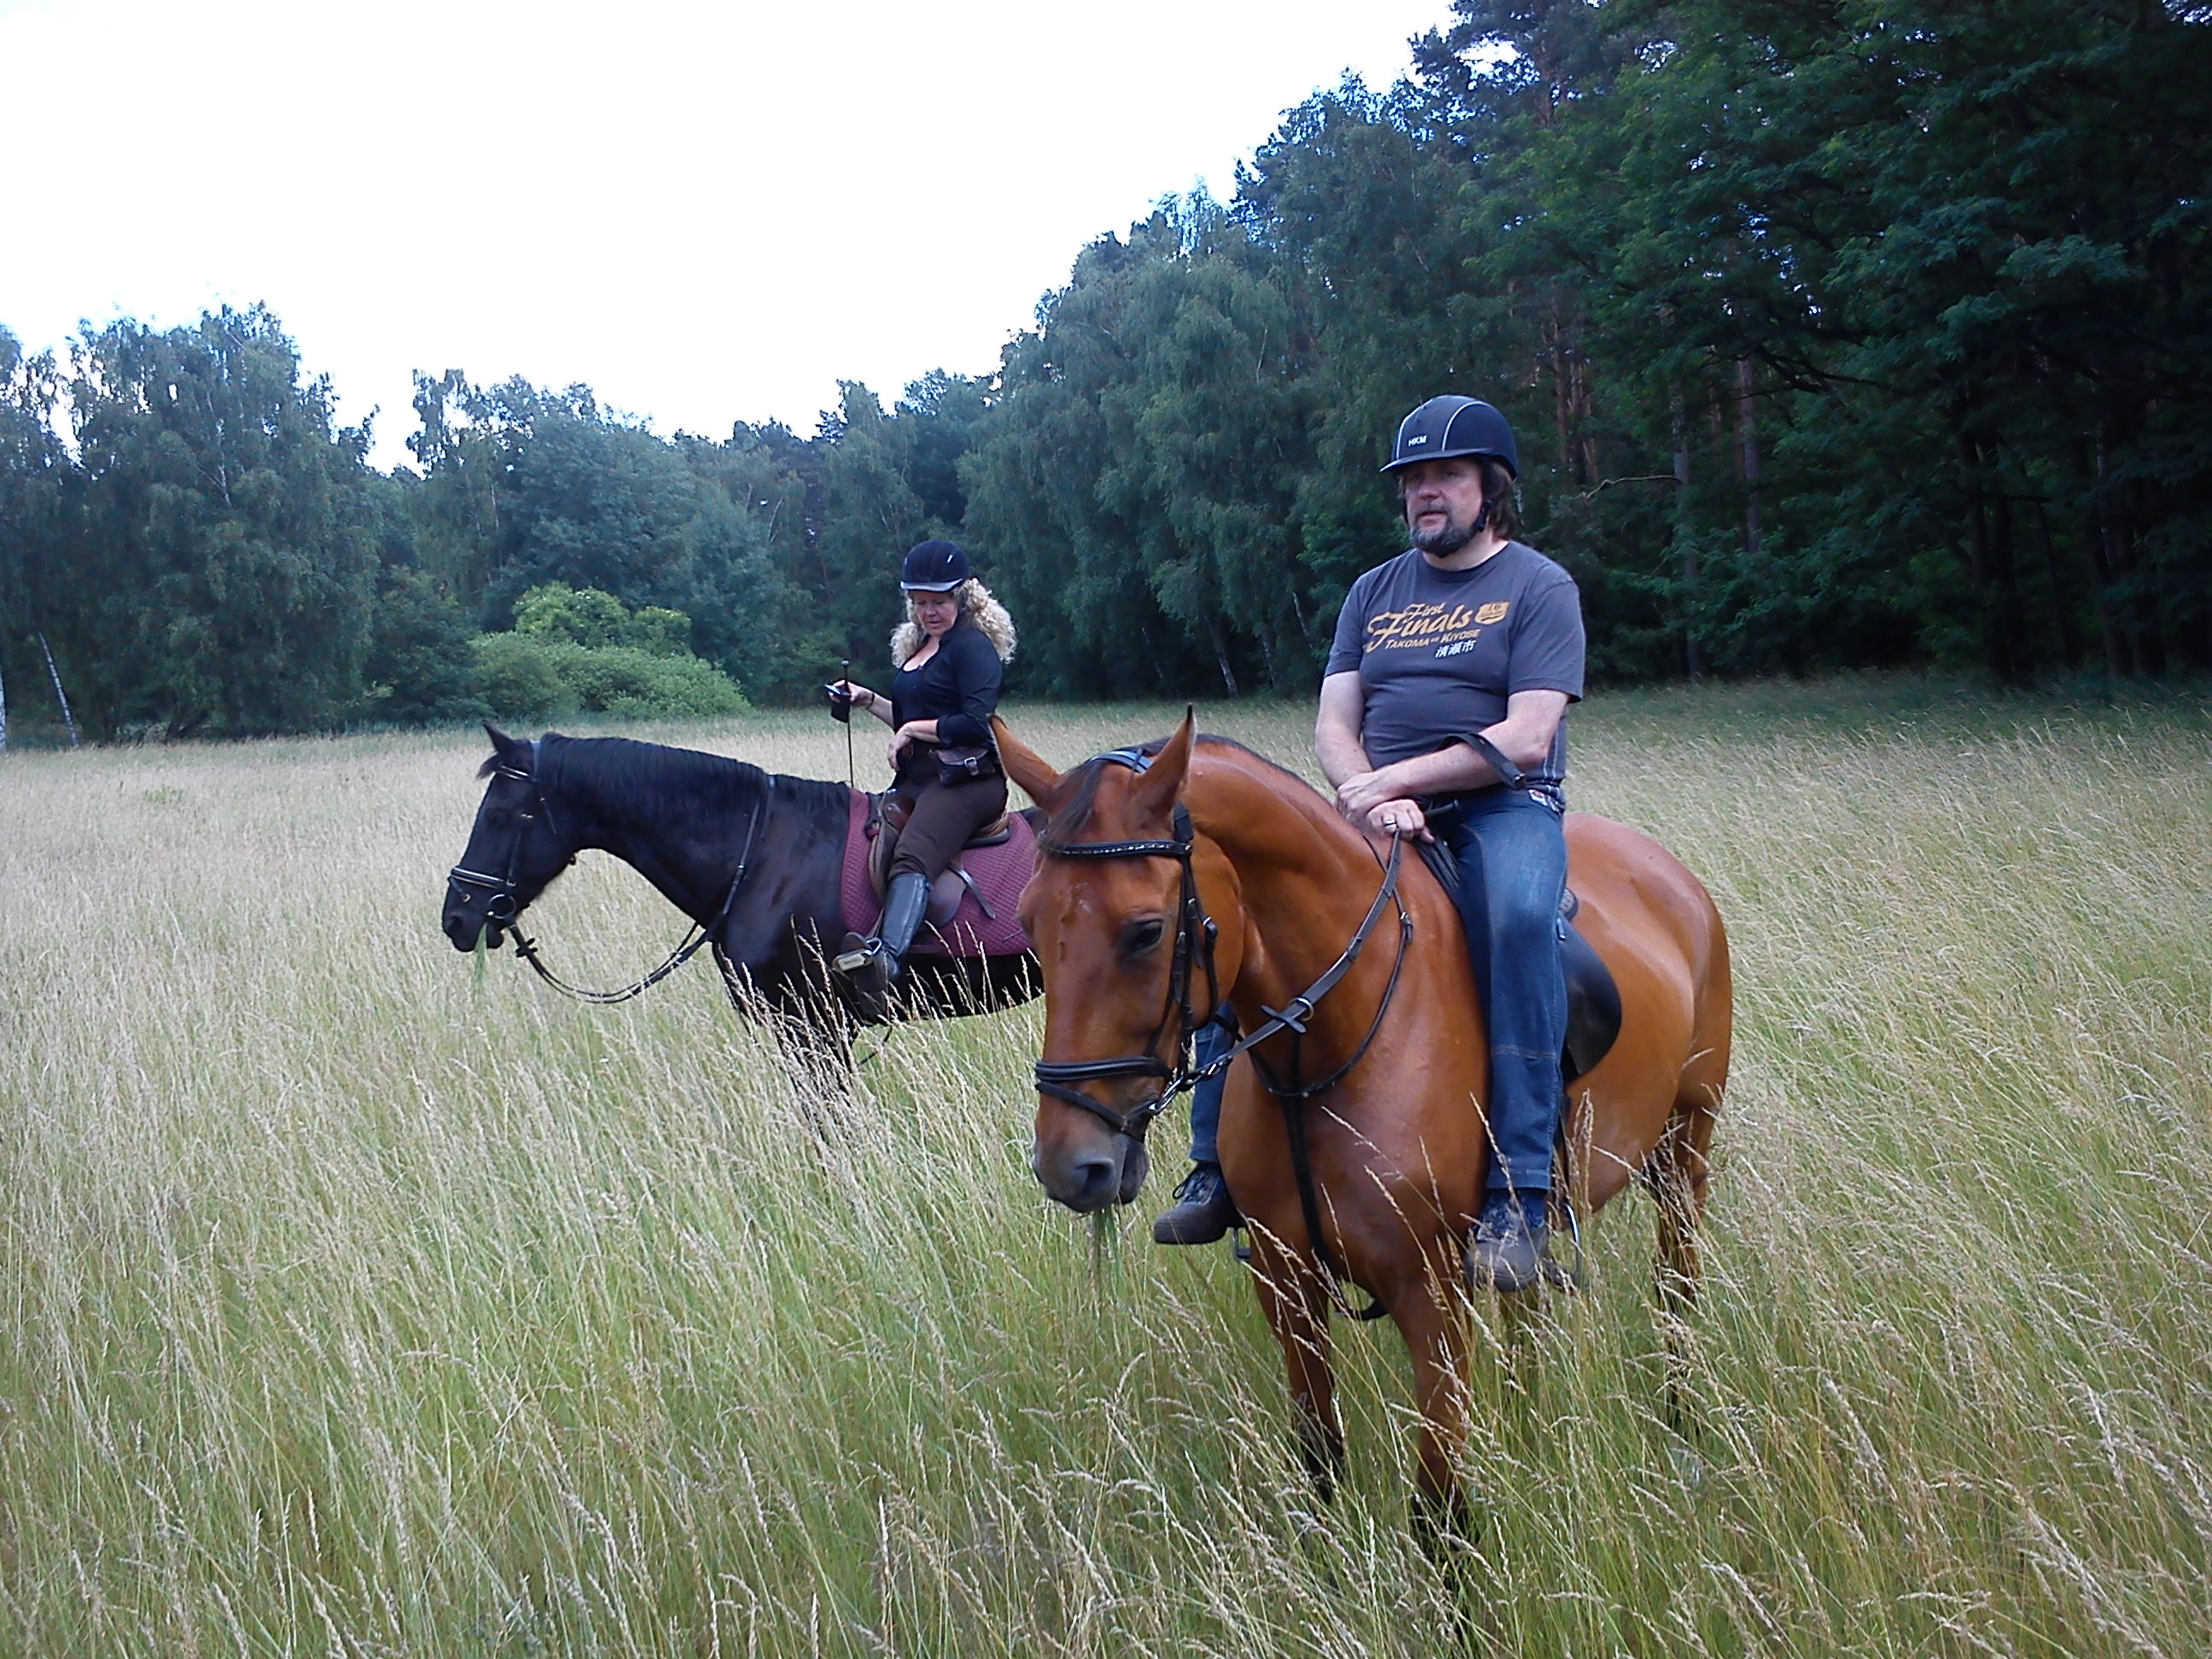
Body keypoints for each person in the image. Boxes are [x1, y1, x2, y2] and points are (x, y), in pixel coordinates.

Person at [1301, 395, 1584, 1292]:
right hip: (1377, 814)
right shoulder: (1372, 592)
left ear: (1489, 488)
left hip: (1504, 809)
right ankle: (1220, 1167)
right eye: (1414, 479)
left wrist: (1394, 783)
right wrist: (1362, 794)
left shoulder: (1540, 587)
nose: (1427, 493)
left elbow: (1529, 735)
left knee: (1518, 919)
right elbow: (1334, 720)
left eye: (1446, 476)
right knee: (1257, 921)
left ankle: (1521, 1195)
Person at [829, 540, 1017, 1010]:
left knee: (912, 855)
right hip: (918, 781)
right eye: (920, 601)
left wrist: (912, 728)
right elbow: (912, 719)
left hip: (967, 781)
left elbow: (974, 724)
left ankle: (886, 965)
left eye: (939, 601)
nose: (929, 611)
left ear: (962, 597)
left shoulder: (972, 648)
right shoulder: (921, 647)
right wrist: (868, 700)